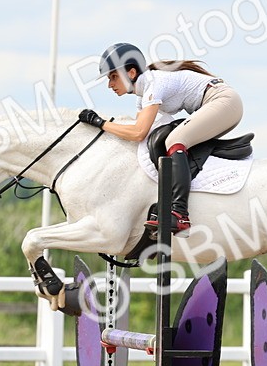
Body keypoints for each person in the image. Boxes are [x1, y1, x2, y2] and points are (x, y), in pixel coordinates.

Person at [77, 42, 244, 233]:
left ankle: (179, 213)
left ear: (131, 73)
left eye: (113, 77)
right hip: (218, 104)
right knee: (159, 140)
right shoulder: (144, 95)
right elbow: (140, 134)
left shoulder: (153, 85)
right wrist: (103, 125)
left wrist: (101, 123)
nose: (110, 85)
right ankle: (166, 202)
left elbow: (138, 132)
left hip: (225, 102)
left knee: (174, 141)